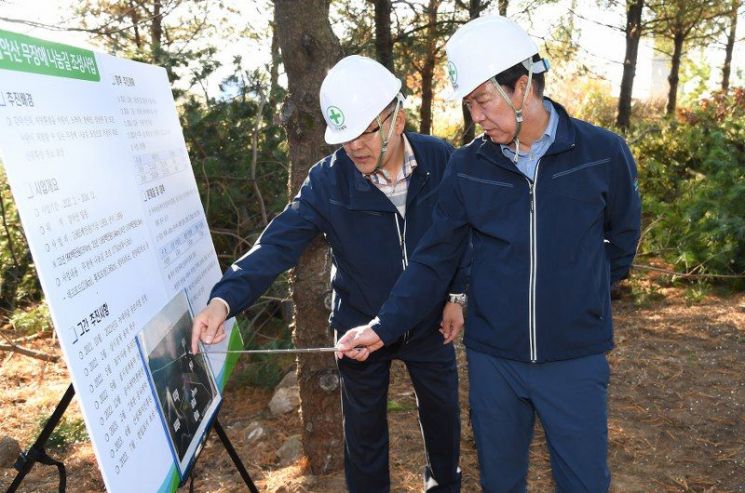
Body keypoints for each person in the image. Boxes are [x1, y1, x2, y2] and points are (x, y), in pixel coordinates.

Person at [337, 15, 642, 493]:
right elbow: (434, 257)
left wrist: (580, 296)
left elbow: (621, 241)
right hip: (493, 360)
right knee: (499, 483)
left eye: (483, 101)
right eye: (471, 105)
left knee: (584, 482)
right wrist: (382, 327)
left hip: (575, 358)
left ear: (521, 88)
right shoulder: (468, 166)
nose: (476, 117)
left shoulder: (602, 153)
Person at [191, 55, 467, 492]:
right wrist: (224, 301)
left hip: (429, 321)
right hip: (359, 329)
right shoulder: (327, 181)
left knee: (443, 425)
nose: (353, 146)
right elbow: (276, 243)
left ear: (397, 118)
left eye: (364, 131)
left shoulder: (443, 159)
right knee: (364, 442)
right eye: (344, 136)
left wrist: (456, 295)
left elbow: (460, 237)